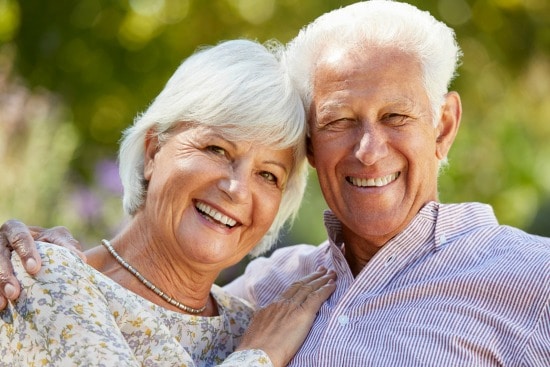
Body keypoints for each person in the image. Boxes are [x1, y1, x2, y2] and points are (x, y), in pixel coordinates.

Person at [2, 1, 550, 365]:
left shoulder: (531, 278)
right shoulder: (269, 295)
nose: (368, 150)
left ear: (445, 126)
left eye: (396, 117)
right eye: (338, 121)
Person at [0, 39, 337, 366]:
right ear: (152, 151)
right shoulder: (50, 277)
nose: (237, 189)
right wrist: (259, 358)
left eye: (268, 175)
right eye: (217, 150)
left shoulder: (253, 325)